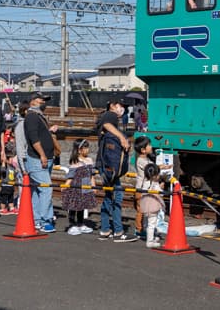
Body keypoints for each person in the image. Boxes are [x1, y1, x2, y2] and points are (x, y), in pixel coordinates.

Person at [96, 100, 137, 243]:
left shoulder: (104, 116)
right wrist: (121, 137)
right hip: (110, 166)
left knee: (108, 197)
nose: (122, 109)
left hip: (104, 164)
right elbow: (107, 124)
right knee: (117, 197)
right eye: (120, 106)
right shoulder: (110, 115)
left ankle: (105, 230)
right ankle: (118, 232)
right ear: (113, 106)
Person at [24, 92, 57, 233]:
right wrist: (42, 154)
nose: (43, 102)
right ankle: (45, 220)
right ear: (32, 101)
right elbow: (33, 138)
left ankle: (36, 219)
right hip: (37, 159)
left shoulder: (39, 116)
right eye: (41, 99)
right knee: (46, 188)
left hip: (45, 158)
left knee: (38, 190)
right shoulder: (31, 117)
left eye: (45, 100)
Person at [62, 139, 97, 236]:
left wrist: (93, 186)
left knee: (82, 206)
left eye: (87, 147)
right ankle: (72, 225)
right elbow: (71, 176)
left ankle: (81, 224)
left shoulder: (89, 160)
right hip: (75, 187)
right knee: (73, 206)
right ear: (79, 150)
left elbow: (92, 175)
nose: (87, 149)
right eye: (85, 148)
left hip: (85, 187)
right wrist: (66, 185)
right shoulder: (75, 161)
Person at [140, 162, 165, 249]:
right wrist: (161, 187)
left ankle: (149, 237)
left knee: (147, 222)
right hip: (153, 206)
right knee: (152, 224)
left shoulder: (145, 181)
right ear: (154, 176)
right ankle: (150, 242)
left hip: (145, 204)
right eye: (158, 174)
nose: (159, 176)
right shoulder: (154, 184)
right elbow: (160, 194)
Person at [133, 136, 153, 239]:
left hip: (146, 188)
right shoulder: (141, 160)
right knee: (140, 210)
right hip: (140, 189)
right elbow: (150, 170)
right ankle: (138, 229)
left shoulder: (147, 158)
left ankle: (143, 228)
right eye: (149, 145)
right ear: (143, 150)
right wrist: (161, 167)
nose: (151, 146)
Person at [0, 142, 19, 215]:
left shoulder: (12, 167)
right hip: (5, 186)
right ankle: (2, 209)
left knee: (11, 198)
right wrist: (3, 163)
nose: (12, 160)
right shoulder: (5, 166)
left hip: (11, 186)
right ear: (7, 159)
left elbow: (15, 174)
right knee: (4, 198)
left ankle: (12, 208)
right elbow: (2, 171)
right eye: (11, 159)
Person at [14, 101, 30, 174]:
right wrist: (23, 168)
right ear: (26, 111)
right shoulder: (21, 125)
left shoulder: (28, 123)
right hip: (26, 164)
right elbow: (20, 147)